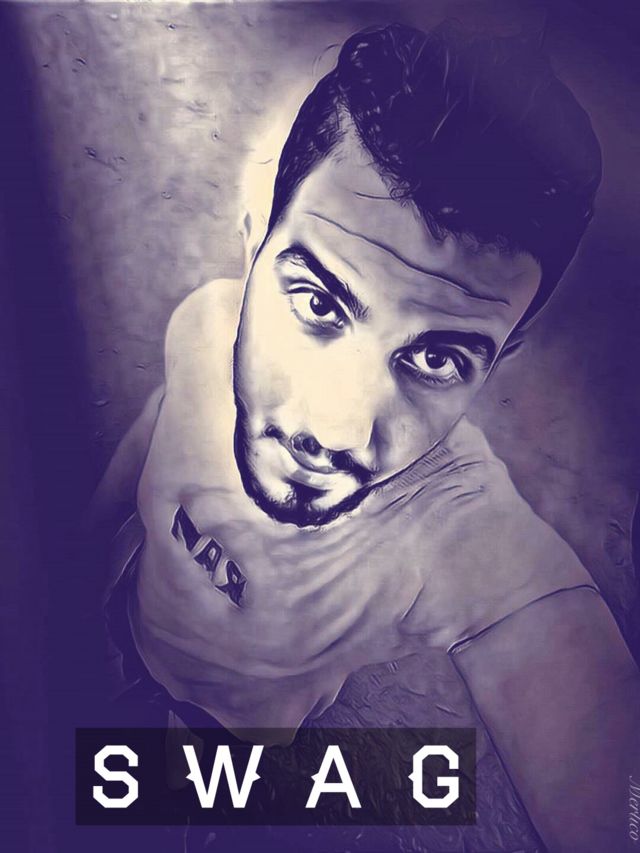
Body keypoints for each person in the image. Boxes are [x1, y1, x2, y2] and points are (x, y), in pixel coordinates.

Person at [94, 22, 640, 852]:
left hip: (230, 749)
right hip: (121, 619)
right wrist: (78, 548)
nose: (335, 429)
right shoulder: (206, 325)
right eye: (319, 303)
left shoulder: (465, 536)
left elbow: (608, 779)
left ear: (497, 362)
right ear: (254, 240)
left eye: (438, 358)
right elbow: (149, 439)